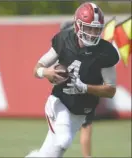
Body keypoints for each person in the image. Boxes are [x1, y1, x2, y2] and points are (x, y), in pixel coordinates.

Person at [25, 2, 119, 157]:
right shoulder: (64, 39)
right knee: (64, 140)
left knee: (50, 155)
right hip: (59, 102)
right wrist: (45, 72)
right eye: (89, 27)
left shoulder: (106, 52)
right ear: (77, 25)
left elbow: (110, 90)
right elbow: (37, 68)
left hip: (80, 112)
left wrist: (84, 87)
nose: (92, 33)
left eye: (96, 28)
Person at [60, 20, 94, 158]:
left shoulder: (61, 51)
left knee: (62, 130)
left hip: (64, 94)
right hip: (80, 93)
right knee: (85, 127)